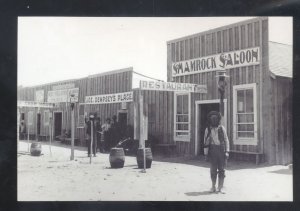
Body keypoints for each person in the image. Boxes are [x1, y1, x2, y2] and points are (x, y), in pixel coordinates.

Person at [204, 111, 230, 194]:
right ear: (210, 120)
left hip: (221, 150)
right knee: (213, 170)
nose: (214, 120)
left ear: (218, 119)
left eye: (215, 118)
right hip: (212, 151)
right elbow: (206, 142)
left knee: (222, 169)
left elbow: (226, 140)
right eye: (212, 119)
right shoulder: (207, 129)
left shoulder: (222, 128)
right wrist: (206, 154)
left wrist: (227, 151)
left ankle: (220, 187)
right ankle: (213, 186)